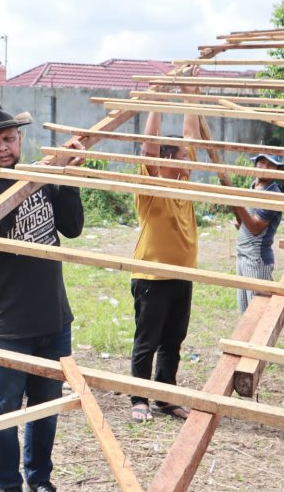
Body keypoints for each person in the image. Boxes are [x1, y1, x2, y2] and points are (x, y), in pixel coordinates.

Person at [0, 103, 85, 492]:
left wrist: (69, 177)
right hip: (8, 324)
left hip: (53, 318)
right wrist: (23, 186)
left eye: (9, 139)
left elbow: (73, 228)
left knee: (46, 409)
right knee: (5, 411)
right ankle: (8, 485)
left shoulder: (40, 178)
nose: (3, 148)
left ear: (20, 139)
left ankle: (40, 480)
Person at [129, 109, 201, 423]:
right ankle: (139, 398)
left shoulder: (184, 185)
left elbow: (191, 137)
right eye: (184, 157)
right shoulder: (152, 188)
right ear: (167, 160)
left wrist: (189, 96)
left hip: (182, 277)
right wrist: (157, 105)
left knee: (173, 341)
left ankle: (165, 397)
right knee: (148, 341)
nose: (190, 161)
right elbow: (148, 149)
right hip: (152, 277)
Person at [232, 153, 283, 312]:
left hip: (257, 260)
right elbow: (245, 222)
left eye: (270, 165)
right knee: (245, 312)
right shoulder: (253, 186)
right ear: (255, 164)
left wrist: (236, 201)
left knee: (257, 313)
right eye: (261, 163)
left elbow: (255, 228)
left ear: (278, 170)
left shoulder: (273, 194)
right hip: (242, 255)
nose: (264, 168)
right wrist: (240, 218)